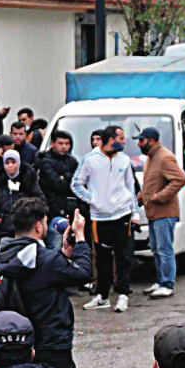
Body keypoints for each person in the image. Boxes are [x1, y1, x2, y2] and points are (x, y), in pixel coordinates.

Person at [0, 195, 93, 368]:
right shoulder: (46, 260)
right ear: (39, 226)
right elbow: (83, 273)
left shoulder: (4, 253)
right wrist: (80, 238)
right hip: (51, 344)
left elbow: (38, 273)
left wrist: (63, 254)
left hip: (18, 340)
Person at [73, 128, 139, 311]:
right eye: (121, 138)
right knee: (102, 259)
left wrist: (136, 214)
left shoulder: (124, 159)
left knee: (123, 256)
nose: (124, 142)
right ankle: (102, 297)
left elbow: (131, 187)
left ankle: (123, 295)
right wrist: (93, 199)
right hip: (99, 218)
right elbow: (76, 184)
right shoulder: (89, 159)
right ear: (111, 140)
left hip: (122, 214)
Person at [138, 126, 185, 299]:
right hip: (154, 213)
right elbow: (149, 185)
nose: (138, 144)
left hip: (164, 212)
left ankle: (168, 284)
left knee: (165, 249)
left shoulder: (165, 157)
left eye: (141, 140)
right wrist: (138, 200)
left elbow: (180, 179)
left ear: (152, 141)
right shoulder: (151, 158)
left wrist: (160, 197)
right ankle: (160, 281)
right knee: (157, 249)